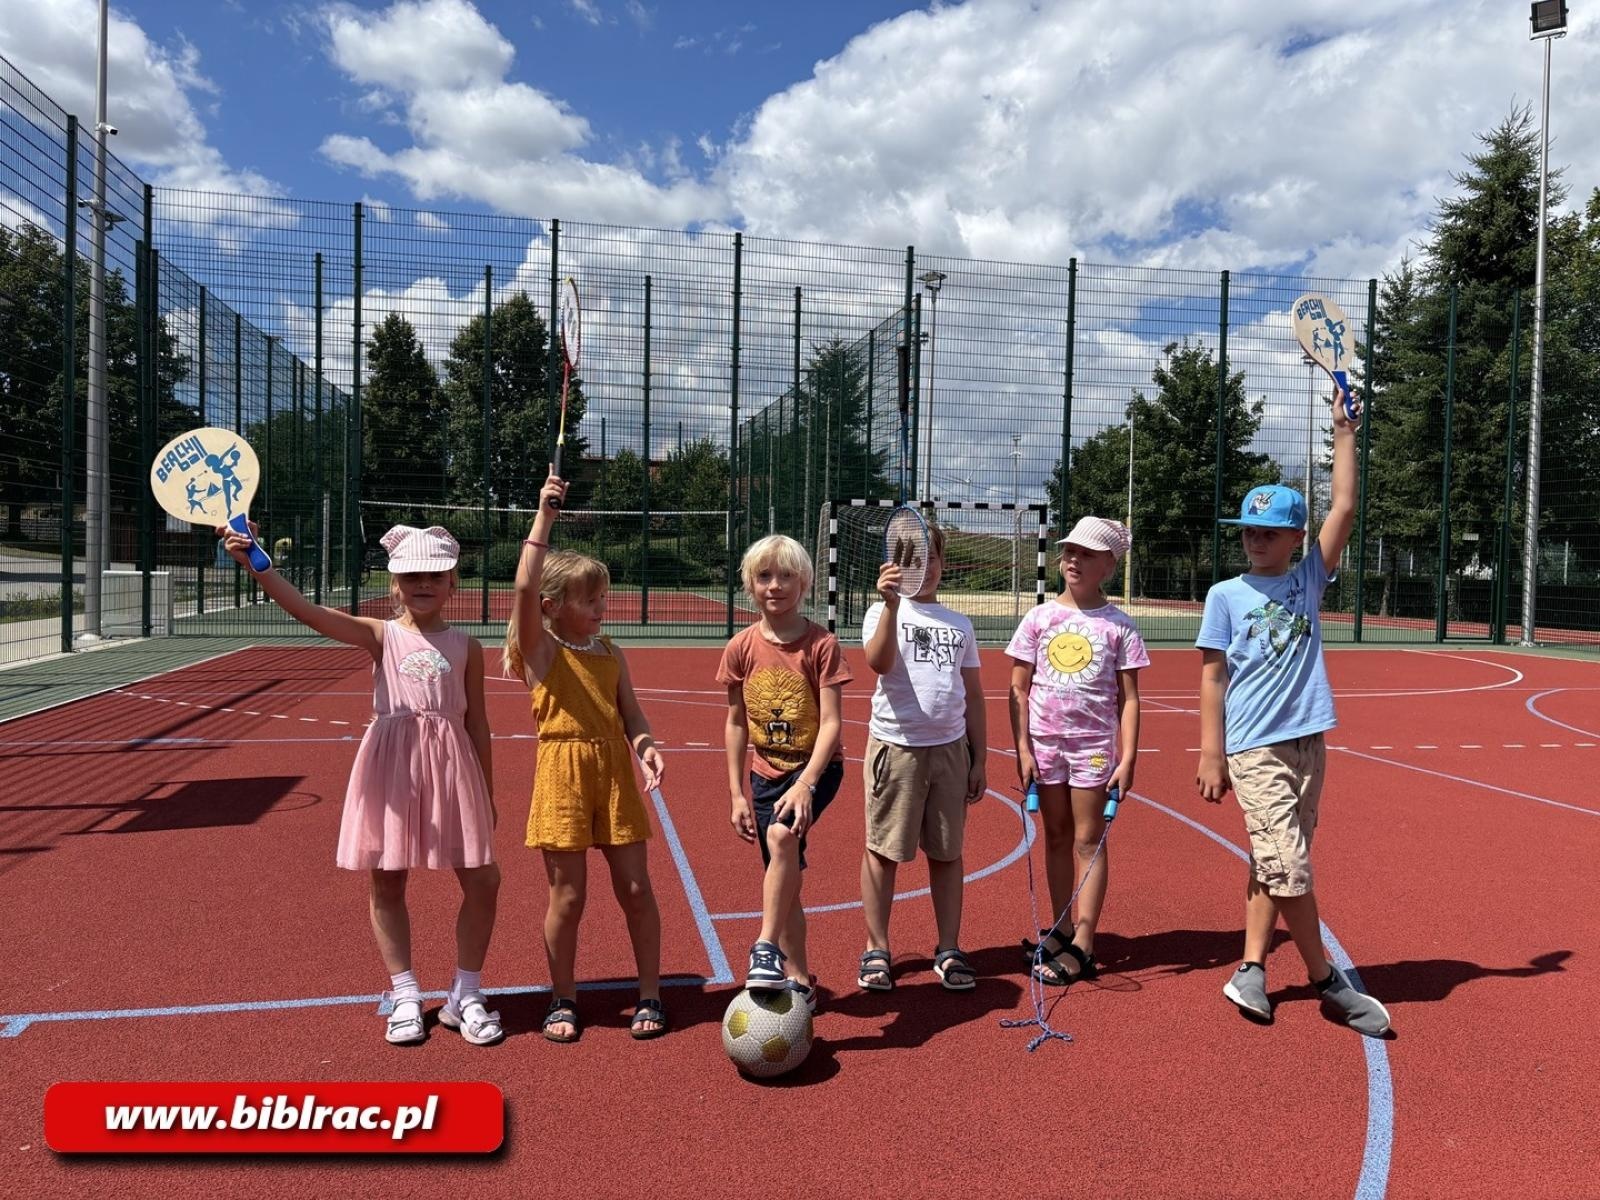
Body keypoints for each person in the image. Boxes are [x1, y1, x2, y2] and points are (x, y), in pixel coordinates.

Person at [218, 519, 503, 1047]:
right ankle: (405, 992)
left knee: (484, 879)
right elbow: (309, 613)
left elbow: (477, 723)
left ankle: (466, 993)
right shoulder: (380, 634)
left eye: (435, 576)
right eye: (411, 575)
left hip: (452, 770)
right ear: (394, 583)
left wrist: (486, 791)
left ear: (453, 583)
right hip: (391, 769)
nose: (423, 584)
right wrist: (256, 564)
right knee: (388, 879)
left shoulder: (469, 645)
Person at [1195, 386, 1391, 1037]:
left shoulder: (1308, 579)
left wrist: (1344, 433)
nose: (1254, 540)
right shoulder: (1225, 594)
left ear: (1294, 538)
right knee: (1290, 864)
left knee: (1274, 861)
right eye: (1247, 530)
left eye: (1268, 531)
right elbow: (1212, 674)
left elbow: (1345, 504)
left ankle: (1250, 967)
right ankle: (1325, 978)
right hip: (1253, 748)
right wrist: (1209, 750)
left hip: (1309, 743)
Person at [505, 469, 668, 1043]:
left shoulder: (611, 651)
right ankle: (563, 997)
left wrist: (645, 747)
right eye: (590, 598)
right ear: (554, 605)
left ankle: (651, 991)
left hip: (615, 774)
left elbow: (633, 713)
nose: (603, 604)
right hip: (563, 774)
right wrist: (544, 516)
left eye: (604, 596)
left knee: (636, 890)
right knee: (568, 897)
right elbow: (522, 590)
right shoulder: (542, 651)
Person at [1007, 516, 1147, 986]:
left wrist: (1128, 758)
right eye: (1069, 550)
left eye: (1086, 553)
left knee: (1089, 840)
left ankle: (1084, 944)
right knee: (1055, 837)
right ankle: (1062, 925)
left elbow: (1129, 698)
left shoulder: (1119, 626)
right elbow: (1019, 688)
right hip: (1045, 748)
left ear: (1109, 564)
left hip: (1092, 749)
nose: (1072, 559)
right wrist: (1023, 749)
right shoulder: (1040, 617)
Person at [718, 534, 852, 1011]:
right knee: (784, 876)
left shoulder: (821, 645)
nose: (775, 585)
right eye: (764, 576)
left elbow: (833, 723)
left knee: (780, 841)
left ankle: (764, 949)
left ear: (806, 583)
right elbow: (736, 723)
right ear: (750, 585)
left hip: (816, 770)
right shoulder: (740, 647)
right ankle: (799, 978)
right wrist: (736, 793)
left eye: (787, 576)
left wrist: (806, 784)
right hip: (763, 774)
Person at [857, 521, 987, 992]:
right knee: (883, 851)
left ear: (943, 564)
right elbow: (878, 662)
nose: (923, 569)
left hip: (950, 750)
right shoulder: (881, 612)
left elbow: (973, 694)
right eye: (912, 561)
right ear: (896, 567)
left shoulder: (960, 624)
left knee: (948, 853)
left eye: (931, 558)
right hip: (897, 748)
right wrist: (892, 606)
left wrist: (980, 758)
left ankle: (949, 947)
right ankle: (876, 948)